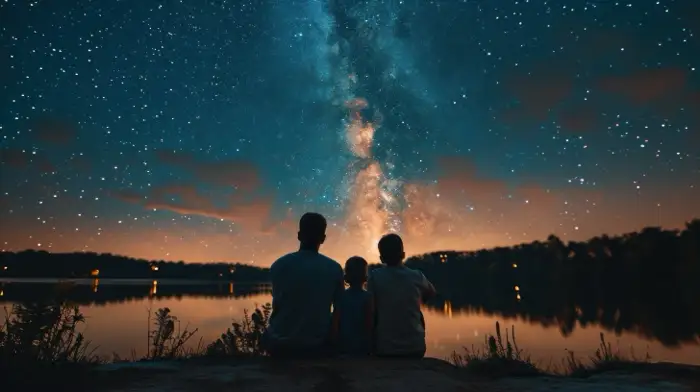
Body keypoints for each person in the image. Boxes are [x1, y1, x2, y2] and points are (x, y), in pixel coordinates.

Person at [263, 212, 345, 358]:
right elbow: (339, 309)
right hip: (316, 345)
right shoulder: (334, 268)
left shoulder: (278, 264)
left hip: (280, 343)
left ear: (299, 235)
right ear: (323, 239)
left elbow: (279, 301)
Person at [368, 233, 436, 358]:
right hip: (415, 347)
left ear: (381, 258)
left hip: (385, 348)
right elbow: (432, 292)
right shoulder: (417, 275)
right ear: (403, 255)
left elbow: (371, 312)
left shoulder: (374, 277)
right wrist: (418, 302)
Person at [334, 256, 374, 356]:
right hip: (361, 345)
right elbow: (369, 323)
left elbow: (335, 320)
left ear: (346, 277)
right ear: (365, 277)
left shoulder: (341, 296)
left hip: (343, 344)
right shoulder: (368, 297)